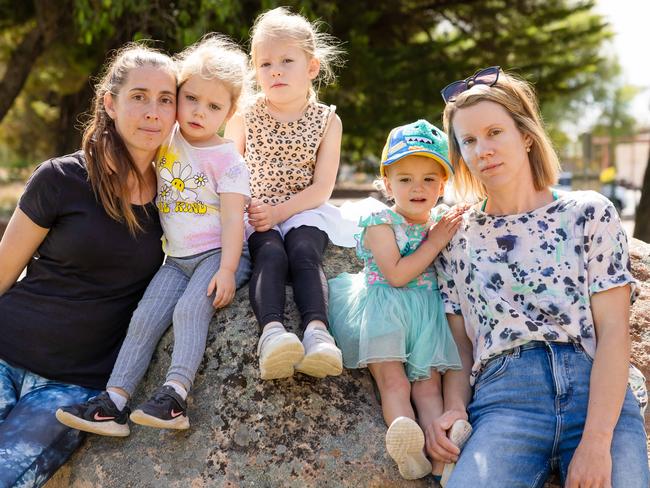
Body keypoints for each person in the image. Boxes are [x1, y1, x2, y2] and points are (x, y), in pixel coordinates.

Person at [429, 66, 649, 487]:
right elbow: (459, 343)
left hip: (594, 394)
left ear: (526, 135)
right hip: (504, 401)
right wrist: (455, 406)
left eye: (495, 132)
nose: (483, 150)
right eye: (469, 140)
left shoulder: (588, 212)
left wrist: (597, 442)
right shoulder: (455, 233)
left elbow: (614, 330)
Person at [56, 35, 251, 436]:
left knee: (188, 311)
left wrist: (229, 268)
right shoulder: (167, 139)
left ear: (230, 112)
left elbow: (234, 221)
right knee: (144, 316)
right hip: (177, 259)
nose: (199, 112)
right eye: (190, 99)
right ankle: (114, 401)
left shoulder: (228, 160)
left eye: (214, 106)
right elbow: (124, 152)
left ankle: (175, 396)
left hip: (218, 253)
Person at [0, 45, 177, 486]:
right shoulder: (61, 179)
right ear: (110, 103)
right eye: (138, 96)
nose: (152, 111)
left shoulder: (180, 201)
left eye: (165, 99)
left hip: (73, 387)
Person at [328, 120, 471, 481]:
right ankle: (406, 438)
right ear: (388, 184)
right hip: (384, 310)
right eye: (405, 179)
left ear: (443, 184)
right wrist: (435, 241)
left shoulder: (441, 219)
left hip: (425, 313)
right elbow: (395, 274)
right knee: (396, 383)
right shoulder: (380, 220)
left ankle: (440, 455)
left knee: (429, 388)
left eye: (428, 179)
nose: (417, 187)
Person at [225, 7, 345, 380]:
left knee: (304, 252)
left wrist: (283, 213)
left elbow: (322, 188)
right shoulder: (245, 114)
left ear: (311, 67)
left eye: (286, 61)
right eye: (265, 64)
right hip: (257, 211)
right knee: (271, 254)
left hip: (304, 208)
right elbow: (228, 175)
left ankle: (317, 333)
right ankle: (273, 334)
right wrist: (257, 213)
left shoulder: (328, 120)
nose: (275, 70)